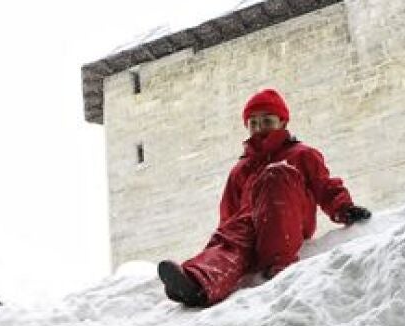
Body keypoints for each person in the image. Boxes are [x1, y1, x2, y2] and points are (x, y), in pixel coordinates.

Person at [159, 87, 371, 308]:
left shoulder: (301, 154)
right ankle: (197, 285)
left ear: (283, 123)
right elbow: (229, 215)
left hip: (289, 220)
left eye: (267, 121)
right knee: (235, 234)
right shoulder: (240, 170)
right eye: (253, 123)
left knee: (276, 173)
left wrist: (344, 208)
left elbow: (325, 186)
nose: (260, 128)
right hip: (249, 231)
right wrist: (225, 242)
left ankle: (278, 263)